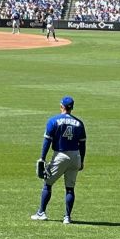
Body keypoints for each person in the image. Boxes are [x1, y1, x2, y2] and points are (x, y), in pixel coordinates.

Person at [32, 96, 87, 224]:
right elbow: (82, 144)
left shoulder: (53, 121)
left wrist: (42, 158)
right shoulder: (79, 123)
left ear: (61, 106)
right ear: (72, 108)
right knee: (70, 188)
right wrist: (82, 161)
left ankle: (41, 213)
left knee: (47, 183)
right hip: (75, 156)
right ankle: (67, 217)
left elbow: (47, 141)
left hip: (60, 155)